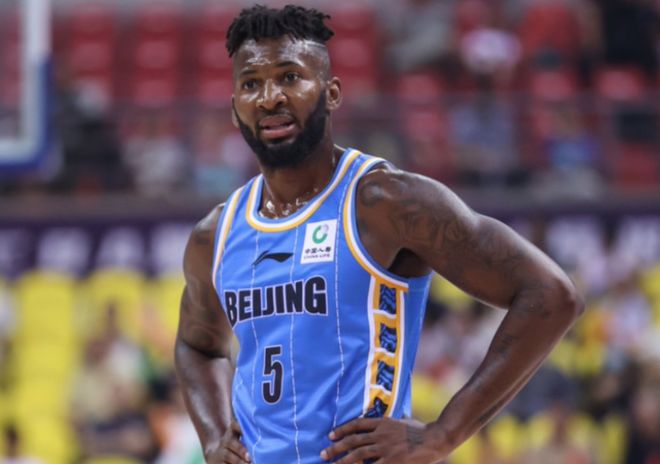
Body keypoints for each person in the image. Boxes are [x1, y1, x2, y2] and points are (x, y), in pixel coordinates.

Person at [174, 5, 583, 464]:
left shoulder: (385, 201)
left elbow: (551, 295)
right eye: (251, 84)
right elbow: (196, 345)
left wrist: (443, 433)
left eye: (290, 77)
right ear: (235, 109)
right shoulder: (216, 234)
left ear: (331, 93)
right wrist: (213, 437)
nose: (270, 98)